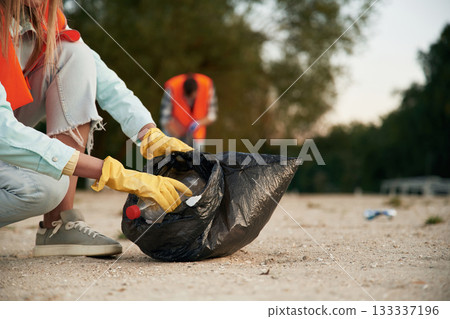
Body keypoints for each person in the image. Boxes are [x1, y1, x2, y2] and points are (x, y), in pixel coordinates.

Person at [0, 0, 193, 257]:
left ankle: (60, 224)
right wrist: (114, 173)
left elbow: (97, 72)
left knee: (74, 52)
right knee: (44, 188)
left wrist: (147, 132)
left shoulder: (41, 14)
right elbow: (3, 133)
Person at [160, 73, 217, 147]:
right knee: (169, 152)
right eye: (187, 97)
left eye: (192, 97)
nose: (189, 100)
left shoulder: (207, 85)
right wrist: (176, 133)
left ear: (197, 92)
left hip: (197, 136)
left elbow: (212, 116)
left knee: (197, 156)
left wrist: (198, 123)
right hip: (174, 133)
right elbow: (164, 119)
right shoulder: (172, 87)